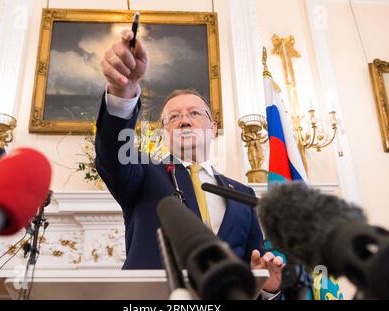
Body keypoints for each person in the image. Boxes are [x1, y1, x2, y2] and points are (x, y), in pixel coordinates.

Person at [95, 29, 284, 296]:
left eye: (195, 113)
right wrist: (121, 92)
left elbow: (255, 264)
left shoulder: (243, 194)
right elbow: (111, 153)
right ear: (163, 133)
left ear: (212, 128)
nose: (184, 120)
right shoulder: (142, 174)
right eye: (173, 117)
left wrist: (267, 286)